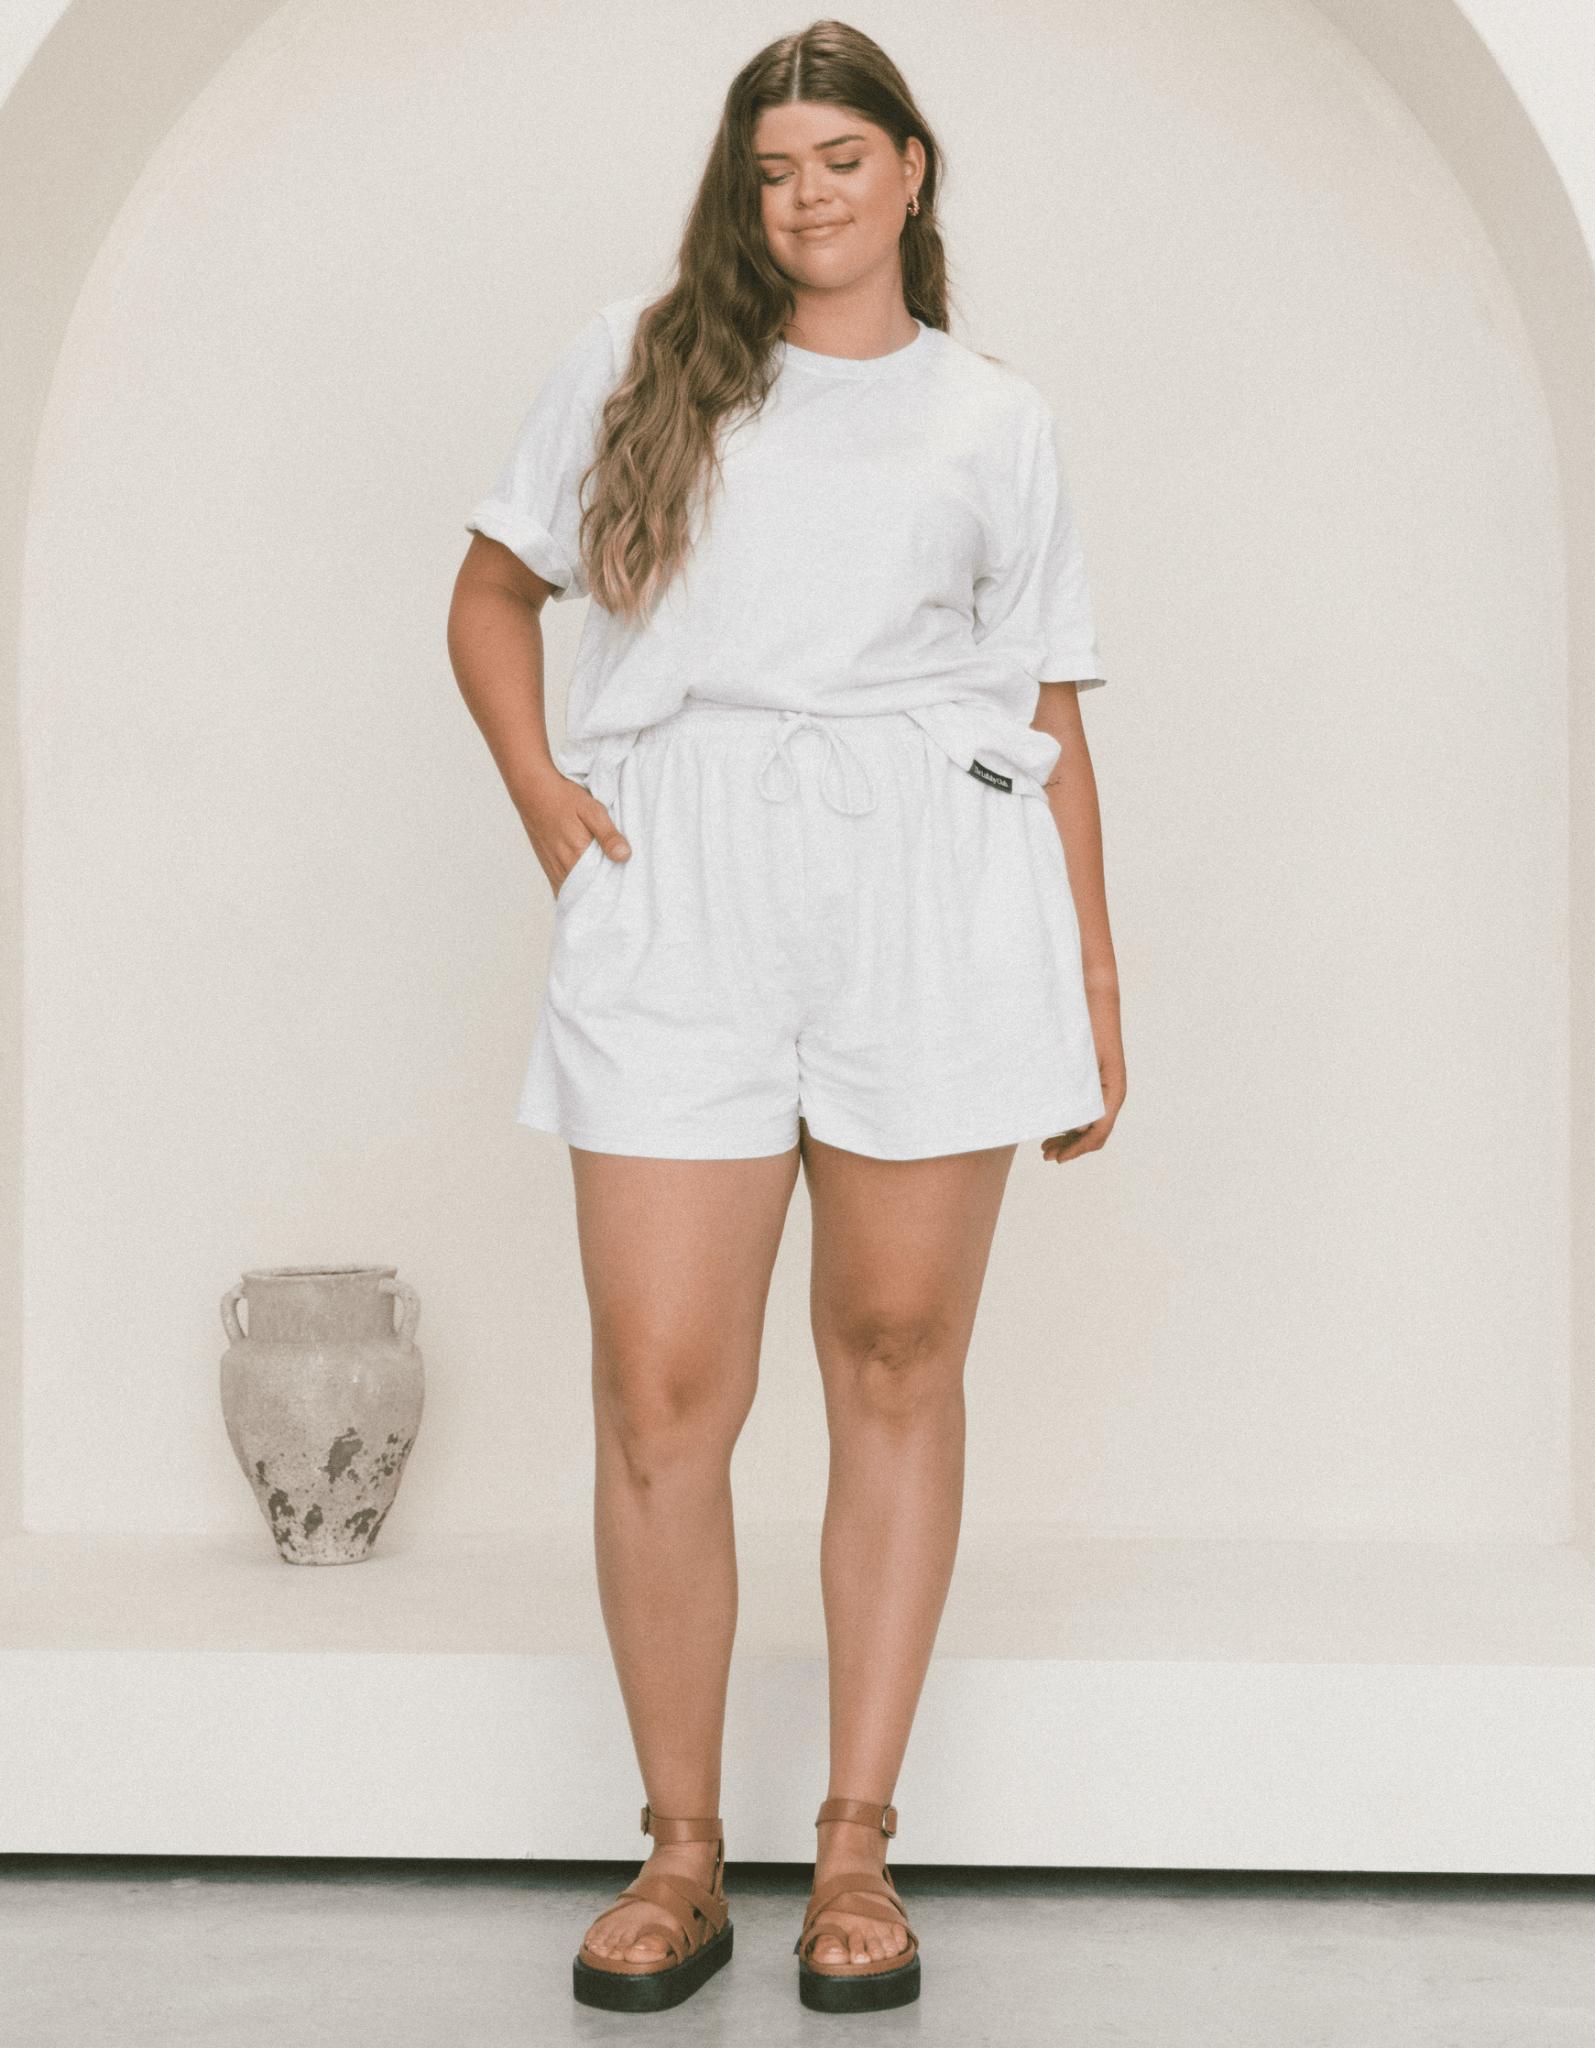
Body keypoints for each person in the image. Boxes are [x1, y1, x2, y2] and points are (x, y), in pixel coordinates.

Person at [446, 15, 1124, 2017]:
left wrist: (1089, 978)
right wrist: (553, 806)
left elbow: (1042, 712)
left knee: (897, 1352)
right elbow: (490, 596)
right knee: (662, 1385)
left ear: (911, 170)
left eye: (840, 156)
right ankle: (677, 1851)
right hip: (687, 889)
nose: (806, 194)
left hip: (934, 887)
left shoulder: (993, 418)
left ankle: (852, 1850)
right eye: (771, 169)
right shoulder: (642, 358)